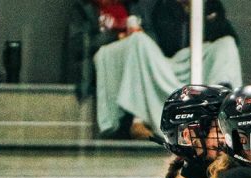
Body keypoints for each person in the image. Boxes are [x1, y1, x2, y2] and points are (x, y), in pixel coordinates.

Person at [94, 0, 242, 139]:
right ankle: (140, 121)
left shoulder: (207, 4)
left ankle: (218, 117)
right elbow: (153, 39)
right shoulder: (155, 4)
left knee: (227, 44)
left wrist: (199, 14)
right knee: (138, 41)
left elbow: (231, 37)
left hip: (196, 62)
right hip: (160, 61)